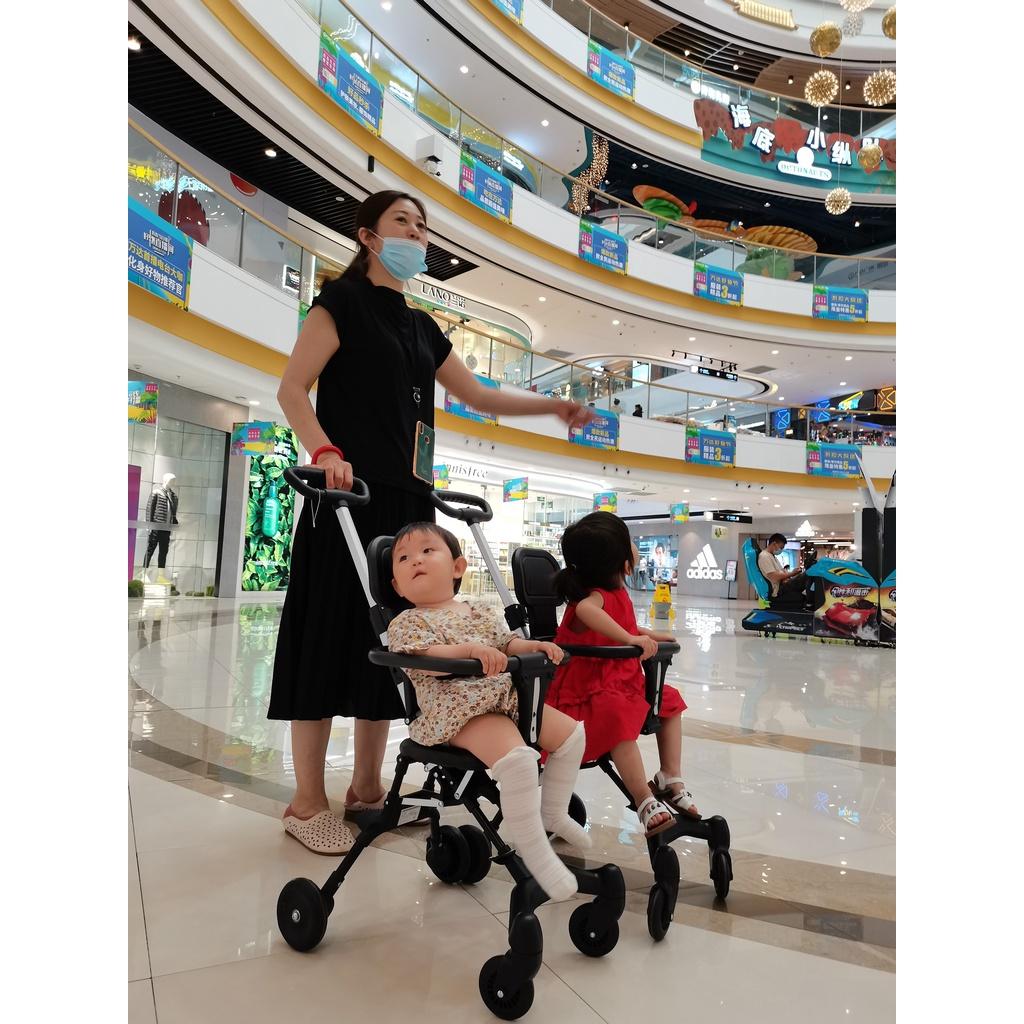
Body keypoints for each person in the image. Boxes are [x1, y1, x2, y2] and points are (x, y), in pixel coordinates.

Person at [269, 190, 595, 854]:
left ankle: (367, 790)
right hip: (346, 496)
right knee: (326, 640)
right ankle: (306, 801)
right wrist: (324, 452)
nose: (417, 235)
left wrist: (551, 408)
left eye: (422, 227)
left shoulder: (422, 327)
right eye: (403, 223)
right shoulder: (340, 304)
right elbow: (292, 388)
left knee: (392, 644)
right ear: (368, 236)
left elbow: (477, 395)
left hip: (408, 509)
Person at [387, 522, 591, 900]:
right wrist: (469, 652)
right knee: (519, 761)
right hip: (458, 710)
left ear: (457, 567)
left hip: (505, 697)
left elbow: (507, 643)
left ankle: (553, 812)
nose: (416, 560)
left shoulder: (478, 610)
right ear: (397, 586)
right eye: (403, 558)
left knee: (572, 735)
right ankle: (536, 853)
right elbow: (428, 660)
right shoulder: (408, 622)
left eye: (427, 551)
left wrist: (532, 647)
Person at [547, 512, 699, 837]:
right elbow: (588, 612)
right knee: (616, 718)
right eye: (628, 541)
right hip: (587, 691)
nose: (635, 547)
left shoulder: (616, 595)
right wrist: (630, 639)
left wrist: (645, 634)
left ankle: (669, 775)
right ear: (619, 560)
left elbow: (623, 625)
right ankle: (643, 798)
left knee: (669, 700)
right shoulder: (592, 599)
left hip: (618, 682)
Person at [757, 533, 809, 607]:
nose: (781, 550)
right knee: (807, 575)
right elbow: (773, 576)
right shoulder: (764, 556)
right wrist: (791, 574)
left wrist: (790, 575)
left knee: (805, 576)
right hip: (778, 590)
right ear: (774, 544)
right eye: (781, 548)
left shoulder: (772, 556)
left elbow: (781, 572)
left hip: (782, 585)